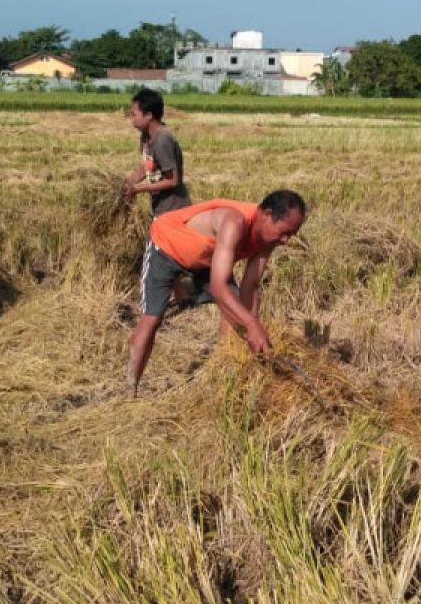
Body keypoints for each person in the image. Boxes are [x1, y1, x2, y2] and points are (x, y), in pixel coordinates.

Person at [128, 190, 307, 395]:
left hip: (206, 258)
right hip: (167, 245)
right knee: (152, 319)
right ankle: (130, 388)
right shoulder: (234, 222)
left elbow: (251, 286)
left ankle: (225, 373)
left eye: (291, 235)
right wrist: (251, 325)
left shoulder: (268, 239)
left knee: (234, 308)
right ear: (266, 214)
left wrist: (251, 330)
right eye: (284, 232)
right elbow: (218, 287)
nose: (285, 240)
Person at [122, 88, 189, 216]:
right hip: (159, 208)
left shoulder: (163, 139)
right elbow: (148, 166)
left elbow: (172, 180)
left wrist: (137, 188)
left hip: (173, 211)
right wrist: (126, 183)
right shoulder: (145, 137)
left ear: (148, 116)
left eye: (134, 114)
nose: (132, 119)